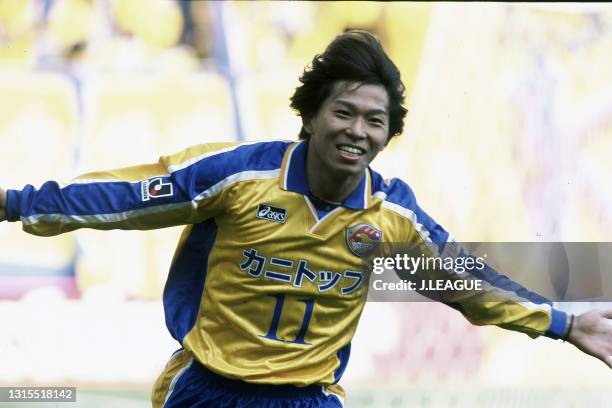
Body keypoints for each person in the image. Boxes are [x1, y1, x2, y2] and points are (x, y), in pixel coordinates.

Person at [0, 30, 611, 408]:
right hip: (209, 390)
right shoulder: (240, 178)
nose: (358, 131)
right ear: (311, 116)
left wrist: (562, 322)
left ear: (388, 135)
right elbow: (129, 197)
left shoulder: (392, 215)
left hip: (309, 400)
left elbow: (468, 284)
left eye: (376, 121)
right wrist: (19, 202)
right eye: (344, 112)